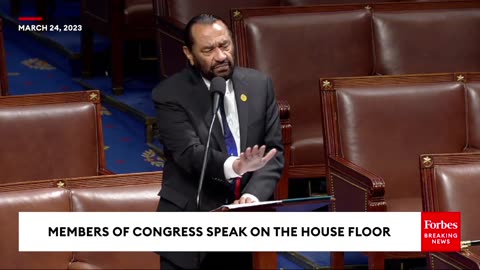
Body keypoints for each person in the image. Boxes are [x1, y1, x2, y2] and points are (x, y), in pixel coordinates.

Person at [152, 13, 284, 270]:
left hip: (245, 228)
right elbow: (188, 152)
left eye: (225, 45)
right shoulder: (170, 94)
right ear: (189, 54)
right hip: (192, 225)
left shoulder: (259, 85)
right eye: (208, 50)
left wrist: (252, 197)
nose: (221, 56)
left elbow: (273, 152)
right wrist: (235, 166)